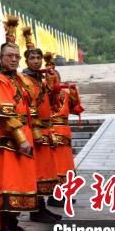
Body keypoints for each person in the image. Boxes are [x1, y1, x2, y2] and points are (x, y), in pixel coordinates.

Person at [0, 16, 38, 231]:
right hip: (8, 139)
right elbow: (5, 112)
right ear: (0, 58)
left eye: (17, 56)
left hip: (24, 136)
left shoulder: (19, 79)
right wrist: (21, 139)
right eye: (10, 56)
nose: (15, 60)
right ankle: (2, 227)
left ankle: (13, 223)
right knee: (7, 184)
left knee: (21, 183)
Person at [19, 29, 62, 223]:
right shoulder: (24, 80)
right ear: (26, 61)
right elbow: (29, 106)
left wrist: (54, 88)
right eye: (32, 58)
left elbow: (53, 104)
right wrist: (35, 130)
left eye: (38, 58)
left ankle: (41, 207)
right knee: (36, 171)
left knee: (45, 170)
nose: (36, 61)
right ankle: (36, 209)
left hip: (45, 128)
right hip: (34, 129)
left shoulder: (41, 79)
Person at [46, 53, 84, 207]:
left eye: (56, 77)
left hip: (64, 132)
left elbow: (76, 109)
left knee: (66, 165)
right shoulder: (44, 94)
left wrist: (74, 93)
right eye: (51, 78)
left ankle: (64, 193)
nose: (54, 80)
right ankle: (54, 195)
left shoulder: (66, 94)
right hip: (52, 132)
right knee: (55, 165)